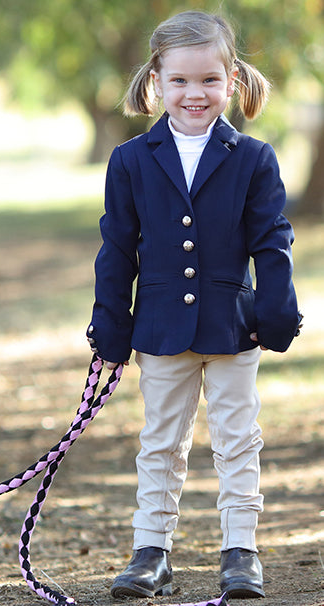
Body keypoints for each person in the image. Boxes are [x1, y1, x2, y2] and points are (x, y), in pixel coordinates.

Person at [85, 10, 302, 600]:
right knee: (160, 442)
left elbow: (271, 241)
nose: (194, 93)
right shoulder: (130, 160)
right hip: (159, 330)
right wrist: (110, 321)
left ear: (230, 80)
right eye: (179, 80)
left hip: (235, 329)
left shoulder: (254, 158)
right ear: (156, 81)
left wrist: (278, 309)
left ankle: (241, 552)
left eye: (208, 79)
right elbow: (116, 249)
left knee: (238, 439)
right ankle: (150, 552)